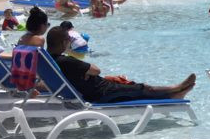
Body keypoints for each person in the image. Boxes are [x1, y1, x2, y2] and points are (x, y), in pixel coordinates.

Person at [46, 26, 195, 102]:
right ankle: (175, 90)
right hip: (101, 92)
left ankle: (175, 94)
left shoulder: (49, 59)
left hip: (95, 90)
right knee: (141, 89)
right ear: (64, 42)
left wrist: (83, 73)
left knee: (132, 88)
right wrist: (84, 70)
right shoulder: (66, 60)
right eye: (68, 40)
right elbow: (96, 70)